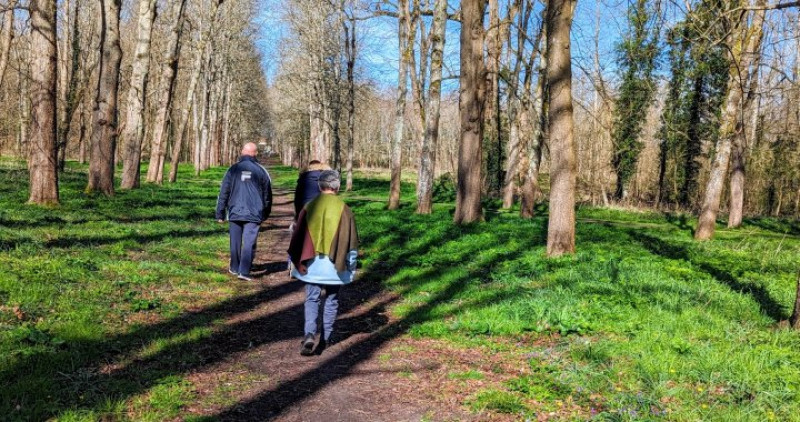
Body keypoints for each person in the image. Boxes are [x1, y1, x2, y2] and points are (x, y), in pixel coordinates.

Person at [287, 170, 358, 356]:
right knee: (332, 301)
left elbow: (297, 238)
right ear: (338, 186)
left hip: (312, 266)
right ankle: (326, 338)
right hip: (335, 268)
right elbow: (350, 243)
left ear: (320, 186)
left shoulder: (309, 206)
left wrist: (296, 261)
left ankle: (309, 334)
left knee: (312, 299)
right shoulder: (345, 209)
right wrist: (351, 265)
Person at [216, 142, 273, 281]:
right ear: (255, 153)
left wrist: (220, 213)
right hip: (254, 213)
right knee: (249, 241)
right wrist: (265, 212)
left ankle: (234, 267)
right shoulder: (261, 171)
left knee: (234, 241)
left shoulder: (232, 169)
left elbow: (224, 192)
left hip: (235, 211)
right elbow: (267, 195)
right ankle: (244, 270)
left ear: (242, 152)